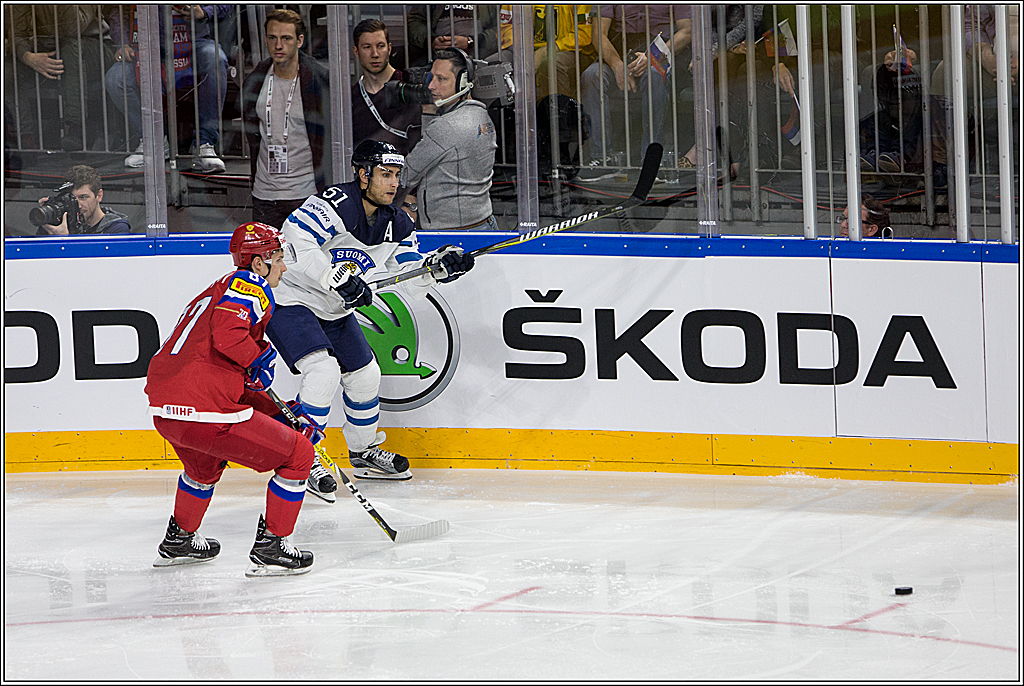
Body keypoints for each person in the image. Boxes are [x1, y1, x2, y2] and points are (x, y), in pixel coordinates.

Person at [266, 140, 476, 486]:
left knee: (365, 375)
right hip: (294, 301)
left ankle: (362, 451)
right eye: (384, 174)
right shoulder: (333, 205)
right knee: (323, 372)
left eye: (397, 175)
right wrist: (334, 276)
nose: (394, 183)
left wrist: (439, 267)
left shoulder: (397, 222)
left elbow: (409, 276)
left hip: (335, 310)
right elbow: (294, 243)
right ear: (362, 175)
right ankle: (301, 457)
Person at [146, 222, 316, 576]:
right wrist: (256, 359)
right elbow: (228, 338)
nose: (284, 266)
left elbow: (230, 373)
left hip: (167, 409)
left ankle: (180, 539)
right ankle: (273, 544)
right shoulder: (248, 286)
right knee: (299, 454)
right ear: (258, 263)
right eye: (279, 258)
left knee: (202, 468)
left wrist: (279, 413)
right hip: (205, 407)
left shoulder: (214, 291)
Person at [105, 5, 232, 172]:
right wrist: (123, 42)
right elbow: (118, 11)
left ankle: (204, 144)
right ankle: (153, 142)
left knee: (214, 57)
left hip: (194, 42)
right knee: (116, 78)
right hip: (145, 45)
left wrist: (204, 12)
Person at [578, 5, 692, 181]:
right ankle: (601, 157)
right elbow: (598, 34)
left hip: (662, 50)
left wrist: (653, 57)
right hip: (620, 51)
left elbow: (687, 31)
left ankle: (651, 158)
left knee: (654, 75)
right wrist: (616, 65)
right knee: (591, 76)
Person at [242, 9, 331, 230]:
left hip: (307, 194)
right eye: (272, 38)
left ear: (300, 41)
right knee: (266, 262)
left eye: (286, 38)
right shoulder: (256, 79)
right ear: (265, 40)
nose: (278, 45)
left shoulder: (318, 81)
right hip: (265, 194)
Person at [402, 48, 498, 231]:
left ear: (463, 82)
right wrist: (430, 113)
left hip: (453, 234)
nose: (431, 86)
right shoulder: (482, 116)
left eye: (441, 79)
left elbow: (407, 176)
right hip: (483, 223)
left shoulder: (447, 127)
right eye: (431, 78)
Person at [8, 5, 117, 151]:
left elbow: (74, 28)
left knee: (71, 47)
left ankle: (76, 130)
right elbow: (16, 32)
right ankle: (26, 138)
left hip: (96, 47)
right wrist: (28, 57)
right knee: (8, 68)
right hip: (53, 48)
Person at [350, 18, 422, 156]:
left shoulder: (409, 88)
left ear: (389, 48)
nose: (375, 54)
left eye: (380, 46)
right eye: (367, 47)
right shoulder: (351, 97)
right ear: (356, 51)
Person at [36, 165, 131, 235]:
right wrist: (48, 219)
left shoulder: (117, 228)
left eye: (83, 197)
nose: (78, 205)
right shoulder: (61, 225)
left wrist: (64, 240)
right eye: (71, 198)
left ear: (99, 195)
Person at [407, 5, 500, 68]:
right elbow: (415, 20)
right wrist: (431, 41)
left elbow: (504, 29)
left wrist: (471, 42)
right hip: (436, 55)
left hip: (479, 54)